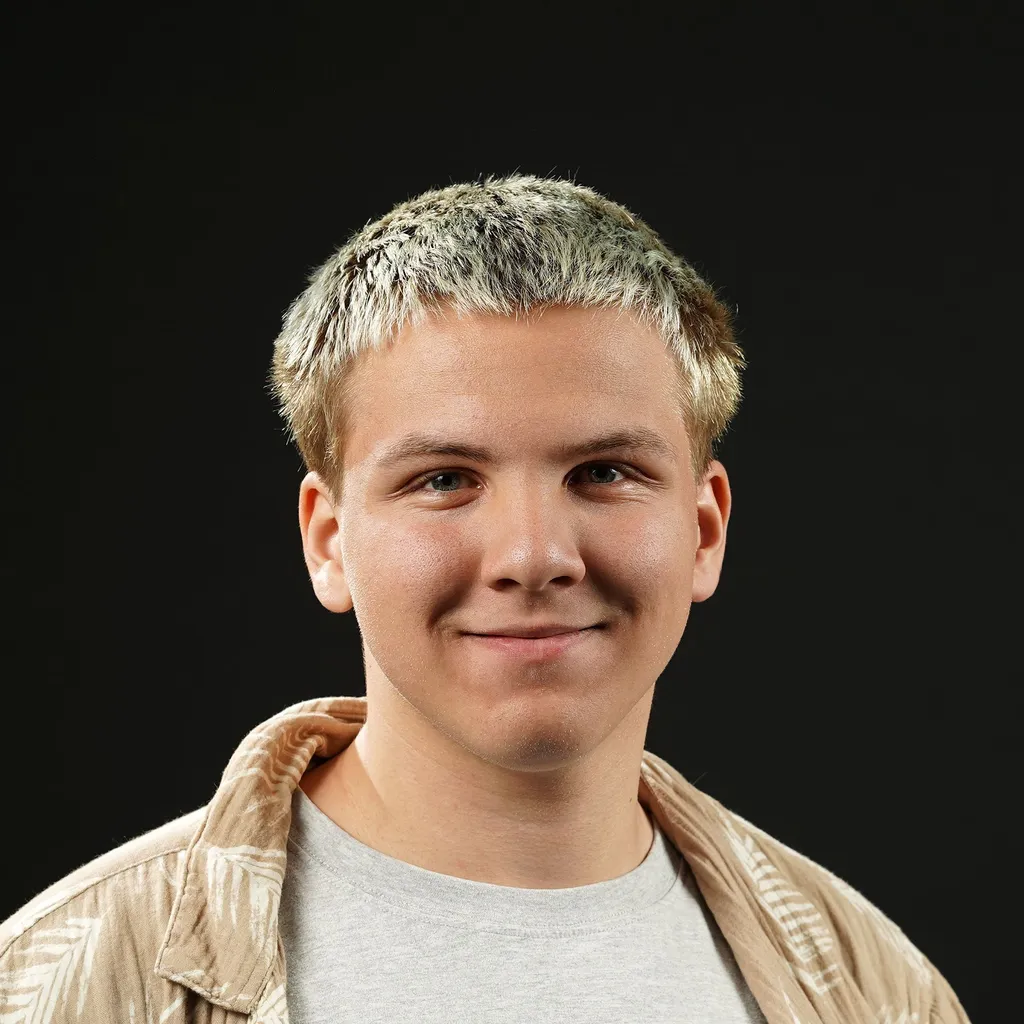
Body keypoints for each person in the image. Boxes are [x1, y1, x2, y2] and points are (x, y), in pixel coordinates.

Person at [0, 176, 971, 1024]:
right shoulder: (57, 985)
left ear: (704, 530)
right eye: (443, 480)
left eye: (602, 470)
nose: (532, 555)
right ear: (327, 540)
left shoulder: (874, 991)